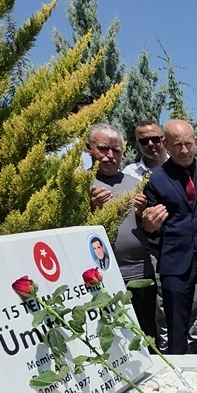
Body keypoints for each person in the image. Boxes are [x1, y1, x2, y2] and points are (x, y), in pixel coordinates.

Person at [135, 120, 197, 354]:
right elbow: (152, 226)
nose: (184, 150)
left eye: (188, 143)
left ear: (195, 142)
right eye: (178, 145)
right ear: (166, 144)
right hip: (175, 261)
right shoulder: (155, 178)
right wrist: (149, 224)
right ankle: (177, 368)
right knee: (176, 325)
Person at [86, 123, 158, 336]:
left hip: (140, 273)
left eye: (116, 150)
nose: (110, 156)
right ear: (89, 149)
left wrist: (145, 215)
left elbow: (149, 229)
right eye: (103, 149)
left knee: (147, 334)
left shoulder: (136, 183)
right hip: (100, 277)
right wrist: (92, 209)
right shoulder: (81, 185)